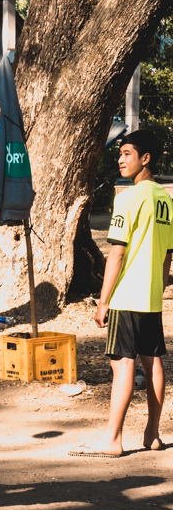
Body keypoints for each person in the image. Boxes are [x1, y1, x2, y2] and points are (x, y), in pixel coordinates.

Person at [71, 130, 173, 458]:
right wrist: (159, 285)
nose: (120, 159)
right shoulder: (166, 199)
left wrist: (103, 301)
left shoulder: (128, 197)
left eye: (127, 153)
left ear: (146, 159)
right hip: (151, 297)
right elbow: (169, 253)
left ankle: (112, 441)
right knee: (153, 362)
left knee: (122, 365)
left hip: (126, 296)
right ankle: (153, 435)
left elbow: (116, 253)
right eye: (120, 154)